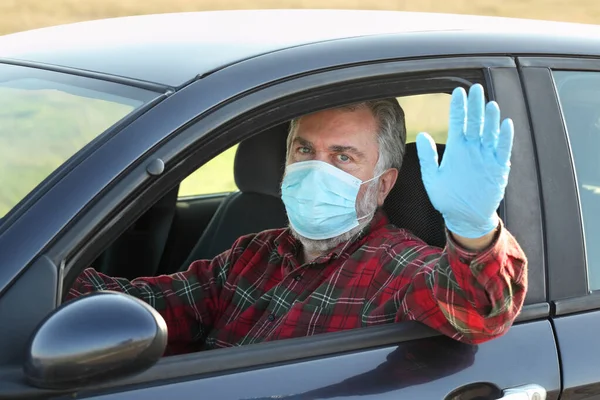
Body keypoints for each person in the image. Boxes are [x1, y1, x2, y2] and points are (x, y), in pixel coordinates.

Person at [67, 84, 528, 356]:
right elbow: (151, 307)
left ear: (384, 184)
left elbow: (479, 313)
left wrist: (473, 229)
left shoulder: (398, 268)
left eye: (342, 157)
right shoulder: (254, 253)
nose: (315, 168)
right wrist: (31, 278)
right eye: (305, 150)